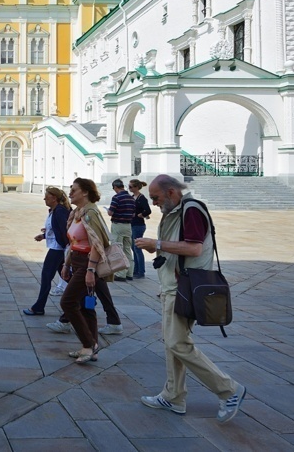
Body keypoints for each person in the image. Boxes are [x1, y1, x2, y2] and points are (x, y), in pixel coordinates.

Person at [135, 174, 246, 422]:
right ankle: (173, 396)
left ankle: (229, 389)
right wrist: (158, 247)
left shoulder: (191, 210)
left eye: (155, 197)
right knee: (172, 342)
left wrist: (158, 243)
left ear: (171, 192)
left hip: (183, 286)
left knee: (177, 343)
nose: (153, 203)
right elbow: (180, 245)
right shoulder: (177, 210)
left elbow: (194, 248)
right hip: (174, 285)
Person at [59, 177, 113, 364]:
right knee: (85, 306)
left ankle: (89, 345)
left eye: (74, 190)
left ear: (85, 192)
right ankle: (92, 348)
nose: (70, 193)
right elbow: (74, 243)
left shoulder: (90, 213)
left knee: (67, 302)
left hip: (89, 263)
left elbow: (97, 244)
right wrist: (67, 264)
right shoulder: (77, 213)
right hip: (77, 261)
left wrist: (90, 270)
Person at [24, 187, 70, 317]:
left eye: (47, 196)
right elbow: (56, 229)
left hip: (58, 249)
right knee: (67, 276)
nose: (44, 199)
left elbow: (65, 230)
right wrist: (44, 236)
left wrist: (67, 247)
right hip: (59, 247)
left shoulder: (60, 211)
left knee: (46, 276)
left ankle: (39, 307)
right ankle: (84, 298)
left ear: (54, 198)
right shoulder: (55, 210)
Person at [107, 179, 136, 281]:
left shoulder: (116, 197)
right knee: (127, 249)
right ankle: (129, 272)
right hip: (128, 225)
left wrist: (109, 211)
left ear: (115, 187)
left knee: (118, 248)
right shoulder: (131, 198)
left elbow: (110, 212)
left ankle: (120, 273)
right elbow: (133, 213)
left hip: (118, 224)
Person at [130, 179, 152, 279]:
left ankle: (141, 270)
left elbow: (148, 210)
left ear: (136, 187)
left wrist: (141, 215)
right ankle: (136, 269)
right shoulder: (132, 197)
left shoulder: (141, 198)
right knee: (133, 247)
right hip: (132, 224)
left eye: (131, 187)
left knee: (137, 247)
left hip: (138, 225)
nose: (129, 188)